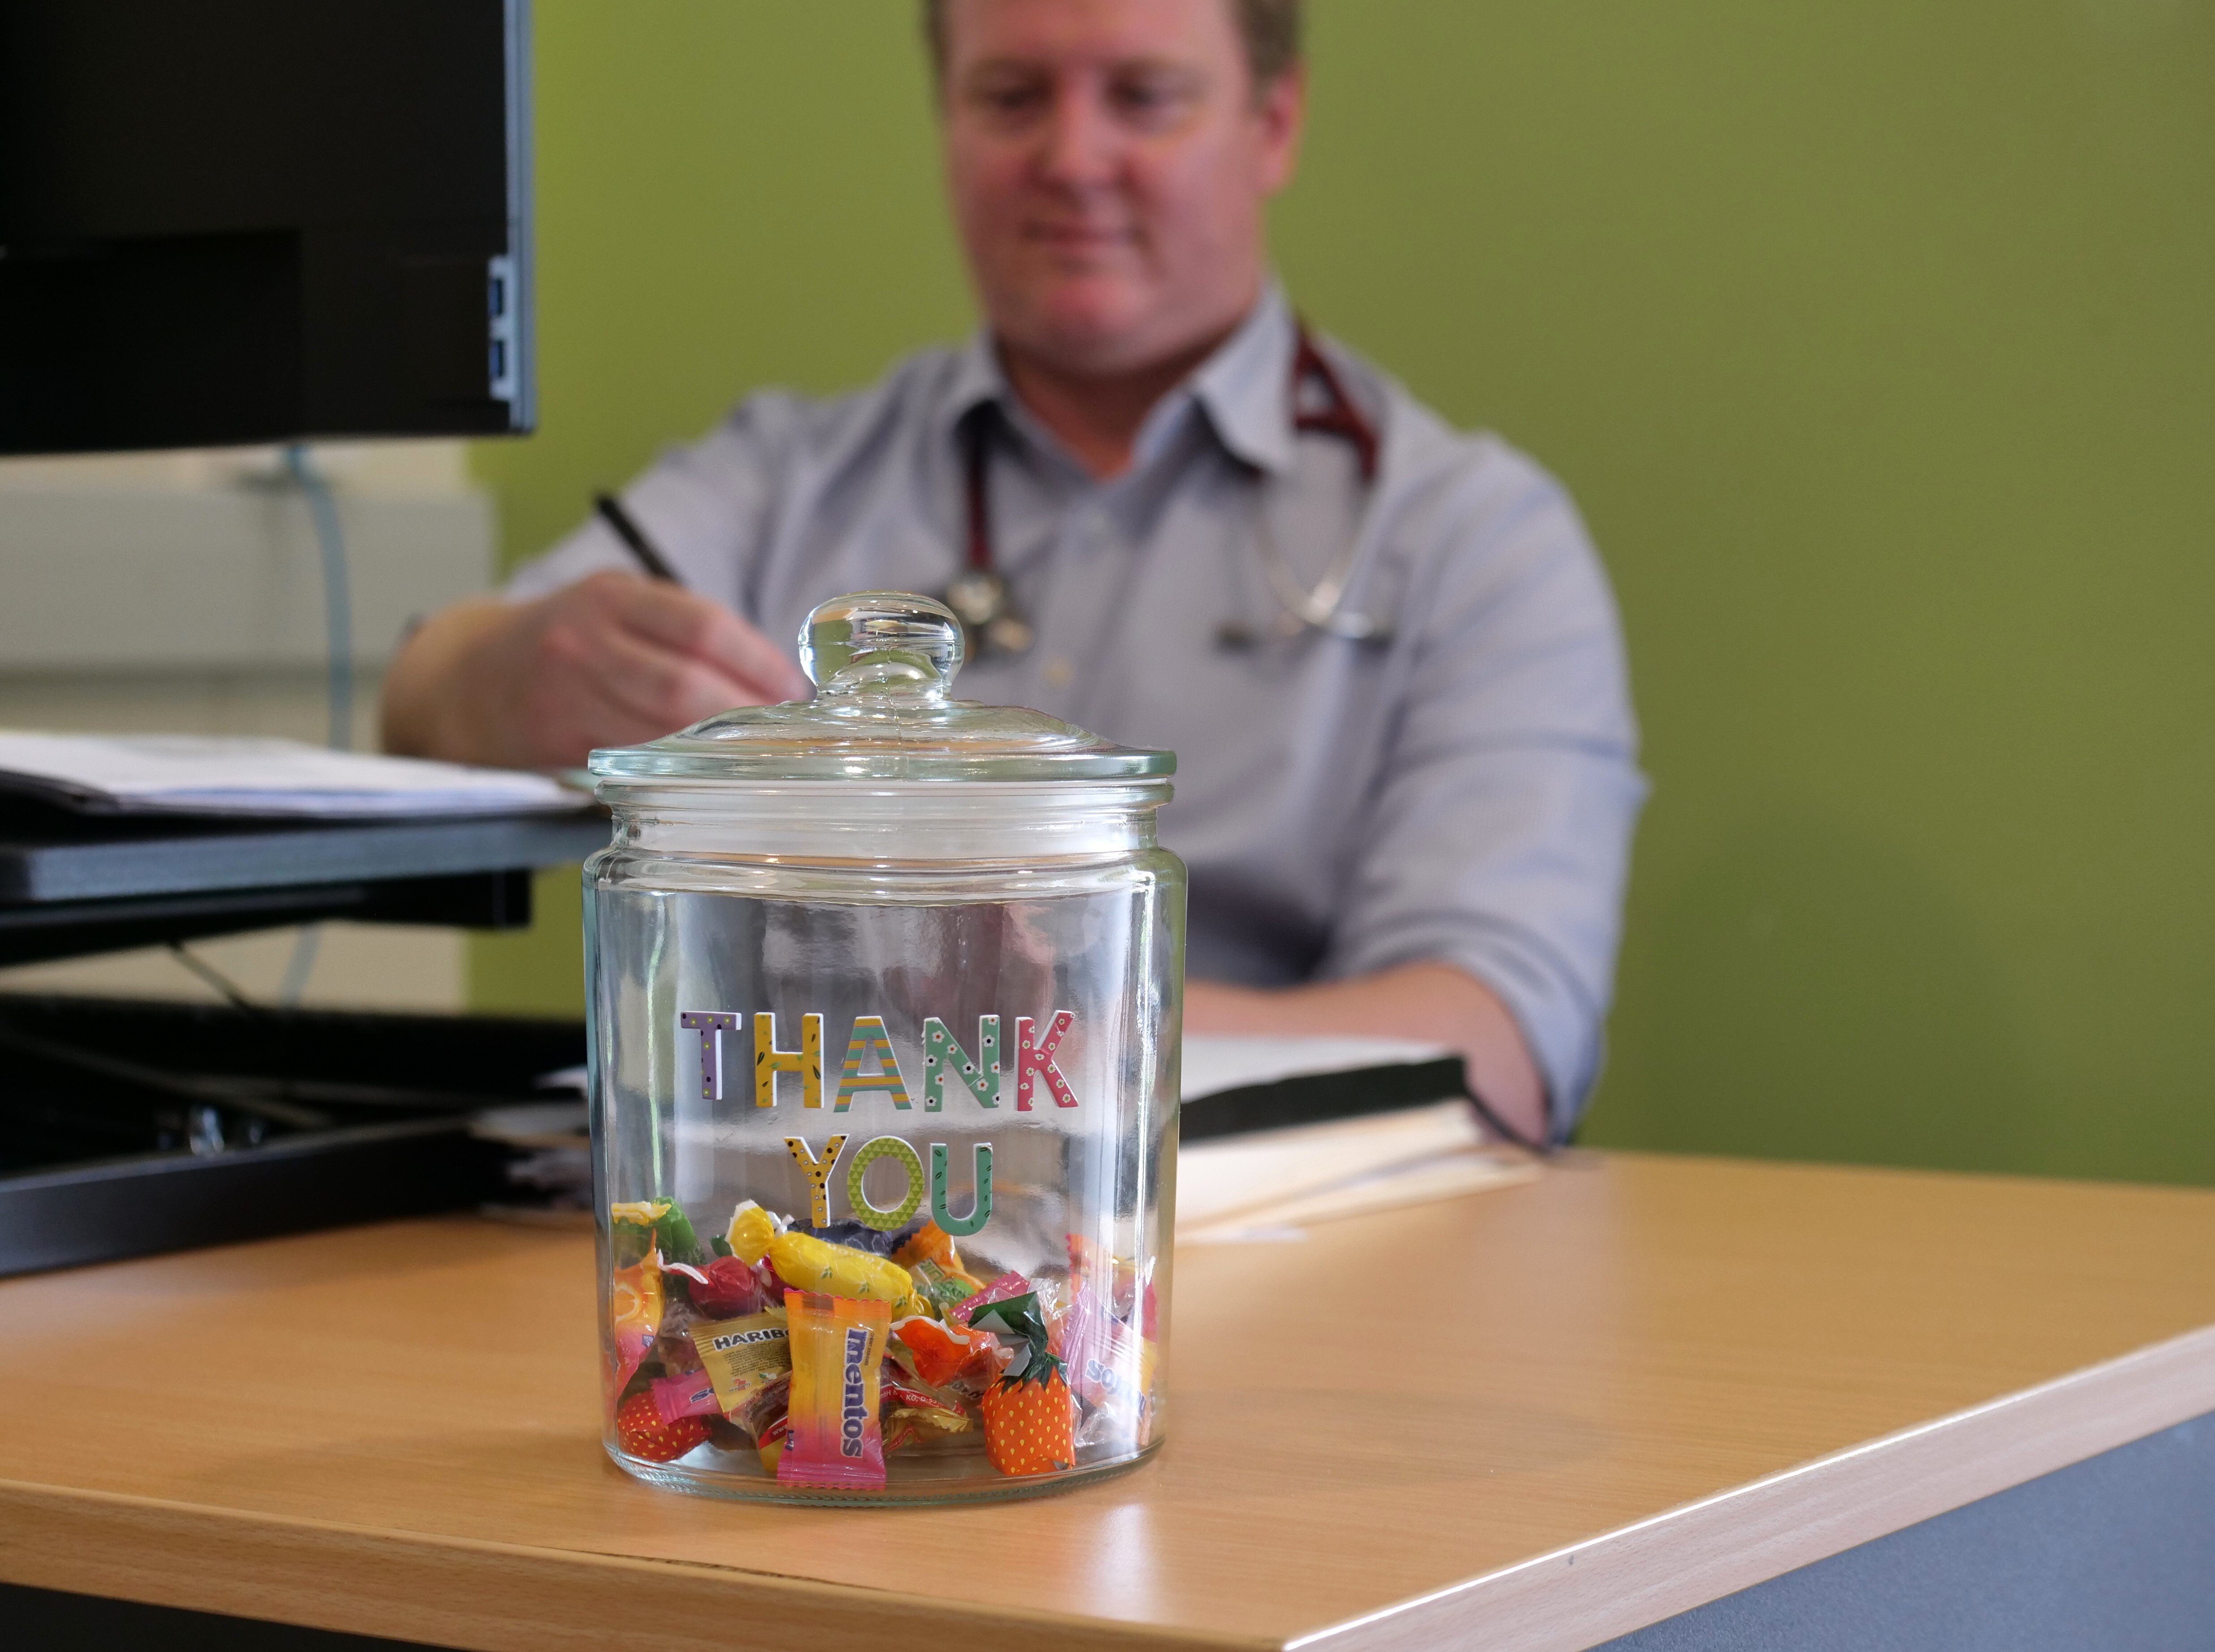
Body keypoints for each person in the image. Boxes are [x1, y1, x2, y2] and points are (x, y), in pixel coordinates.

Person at [382, 0, 1644, 1146]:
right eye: (1011, 98)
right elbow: (420, 698)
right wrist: (508, 676)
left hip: (1266, 1246)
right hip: (791, 1256)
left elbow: (1497, 1040)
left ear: (1272, 124)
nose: (1072, 160)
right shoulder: (789, 480)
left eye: (1142, 97)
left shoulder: (1473, 538)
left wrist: (1027, 1036)